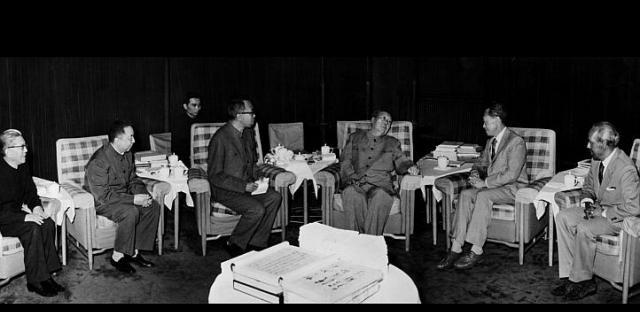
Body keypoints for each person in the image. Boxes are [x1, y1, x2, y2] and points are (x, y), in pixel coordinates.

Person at [551, 122, 640, 300]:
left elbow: (634, 207)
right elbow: (589, 186)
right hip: (598, 209)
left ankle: (583, 281)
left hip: (619, 217)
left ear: (603, 144)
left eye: (590, 143)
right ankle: (571, 276)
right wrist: (587, 200)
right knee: (563, 217)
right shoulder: (596, 160)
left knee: (585, 227)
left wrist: (605, 213)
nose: (587, 146)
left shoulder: (626, 168)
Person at [437, 102, 528, 270]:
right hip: (494, 187)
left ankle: (476, 250)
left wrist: (484, 183)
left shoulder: (516, 142)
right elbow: (481, 163)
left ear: (497, 120)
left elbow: (512, 174)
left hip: (514, 188)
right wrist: (475, 173)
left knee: (482, 195)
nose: (483, 125)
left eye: (486, 122)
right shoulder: (491, 141)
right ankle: (456, 247)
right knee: (465, 195)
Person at [207, 99, 282, 257]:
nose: (254, 115)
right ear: (239, 116)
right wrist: (243, 186)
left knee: (274, 197)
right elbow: (215, 176)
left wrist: (258, 178)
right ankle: (234, 243)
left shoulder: (248, 133)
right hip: (225, 190)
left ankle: (257, 242)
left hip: (248, 185)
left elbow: (252, 162)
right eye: (251, 112)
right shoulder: (220, 139)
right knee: (256, 209)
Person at [85, 120, 161, 274]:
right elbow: (102, 195)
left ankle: (133, 251)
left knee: (152, 206)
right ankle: (117, 256)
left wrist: (143, 195)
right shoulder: (99, 161)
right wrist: (133, 200)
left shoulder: (127, 155)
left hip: (121, 197)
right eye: (130, 137)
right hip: (102, 202)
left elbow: (133, 180)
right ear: (117, 140)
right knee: (130, 211)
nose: (134, 140)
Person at [0, 129, 65, 297]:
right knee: (33, 228)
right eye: (22, 147)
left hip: (16, 214)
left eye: (25, 146)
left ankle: (47, 275)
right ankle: (35, 281)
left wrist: (36, 208)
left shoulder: (22, 167)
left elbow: (30, 192)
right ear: (8, 151)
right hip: (4, 220)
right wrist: (26, 216)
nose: (26, 150)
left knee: (47, 222)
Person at [339, 110, 420, 235]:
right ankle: (356, 241)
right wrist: (349, 179)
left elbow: (401, 160)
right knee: (350, 193)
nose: (386, 123)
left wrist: (409, 167)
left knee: (381, 196)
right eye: (383, 119)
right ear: (373, 120)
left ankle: (370, 241)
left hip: (381, 185)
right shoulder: (355, 137)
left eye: (389, 122)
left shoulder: (392, 143)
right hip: (356, 183)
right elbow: (345, 161)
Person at [171, 92, 203, 166]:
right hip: (184, 161)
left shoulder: (202, 121)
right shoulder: (179, 122)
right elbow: (178, 149)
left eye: (199, 105)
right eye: (194, 105)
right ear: (185, 106)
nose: (197, 108)